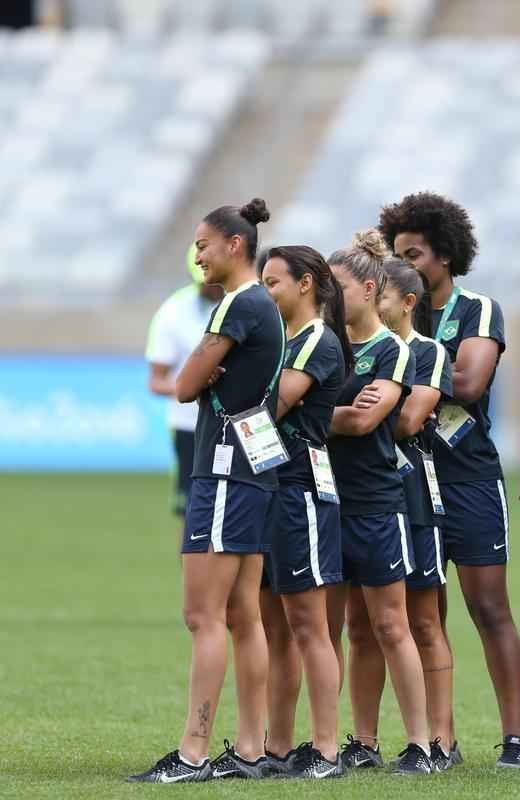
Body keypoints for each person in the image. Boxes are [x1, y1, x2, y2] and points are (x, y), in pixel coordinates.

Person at [129, 199, 284, 783]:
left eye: (203, 244)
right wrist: (205, 373)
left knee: (203, 615)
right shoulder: (261, 305)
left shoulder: (235, 308)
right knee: (244, 614)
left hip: (223, 469)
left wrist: (204, 370)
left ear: (234, 246)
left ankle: (193, 751)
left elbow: (186, 386)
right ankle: (248, 750)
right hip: (252, 469)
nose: (197, 255)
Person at [378, 193, 520, 768]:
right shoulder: (394, 314)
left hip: (468, 476)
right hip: (409, 478)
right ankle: (441, 738)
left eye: (414, 252)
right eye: (398, 254)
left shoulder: (479, 310)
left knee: (489, 608)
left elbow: (467, 382)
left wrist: (409, 359)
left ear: (445, 254)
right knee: (425, 614)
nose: (405, 263)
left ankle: (512, 737)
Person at [324, 230, 433, 775]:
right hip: (324, 498)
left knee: (391, 624)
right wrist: (336, 418)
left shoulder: (392, 350)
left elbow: (368, 420)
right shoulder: (323, 345)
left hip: (374, 499)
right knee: (345, 629)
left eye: (335, 287)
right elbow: (334, 416)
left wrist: (324, 417)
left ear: (368, 290)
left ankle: (421, 743)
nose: (325, 297)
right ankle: (360, 742)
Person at [256, 245, 353, 779]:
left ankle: (326, 749)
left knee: (310, 625)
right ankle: (277, 745)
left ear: (307, 284)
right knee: (275, 627)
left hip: (301, 491)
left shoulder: (317, 340)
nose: (266, 293)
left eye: (273, 283)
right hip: (272, 488)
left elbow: (273, 403)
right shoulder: (285, 339)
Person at [359, 257, 458, 770]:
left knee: (422, 618)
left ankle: (440, 739)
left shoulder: (427, 352)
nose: (372, 305)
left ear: (407, 303)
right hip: (364, 491)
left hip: (413, 492)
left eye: (382, 297)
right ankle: (364, 740)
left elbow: (407, 421)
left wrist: (371, 410)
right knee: (364, 624)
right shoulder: (359, 347)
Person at [145, 244, 223, 527]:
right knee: (190, 508)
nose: (213, 288)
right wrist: (195, 386)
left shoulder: (247, 303)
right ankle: (190, 573)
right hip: (190, 427)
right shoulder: (173, 312)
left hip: (238, 425)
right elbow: (156, 380)